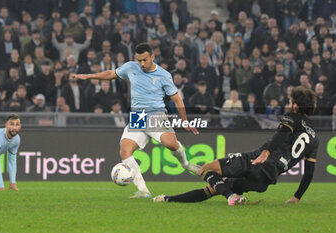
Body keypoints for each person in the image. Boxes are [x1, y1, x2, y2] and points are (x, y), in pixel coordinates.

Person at [154, 86, 319, 206]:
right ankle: (168, 199)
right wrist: (296, 197)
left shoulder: (292, 117)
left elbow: (281, 135)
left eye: (291, 102)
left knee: (205, 169)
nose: (288, 105)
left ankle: (231, 197)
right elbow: (309, 173)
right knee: (214, 188)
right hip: (267, 178)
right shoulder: (315, 138)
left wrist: (266, 152)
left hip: (256, 160)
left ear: (296, 106)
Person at [75, 43, 199, 198]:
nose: (141, 64)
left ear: (152, 57)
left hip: (156, 115)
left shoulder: (163, 75)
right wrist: (89, 76)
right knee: (125, 151)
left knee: (171, 144)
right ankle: (143, 190)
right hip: (138, 117)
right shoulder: (130, 67)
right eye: (139, 60)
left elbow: (177, 100)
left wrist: (185, 120)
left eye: (145, 60)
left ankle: (186, 164)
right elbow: (111, 74)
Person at [0, 114, 21, 191]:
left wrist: (13, 182)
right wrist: (1, 186)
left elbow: (12, 161)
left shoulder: (16, 139)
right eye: (12, 124)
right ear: (6, 125)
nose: (14, 127)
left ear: (20, 126)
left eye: (17, 124)